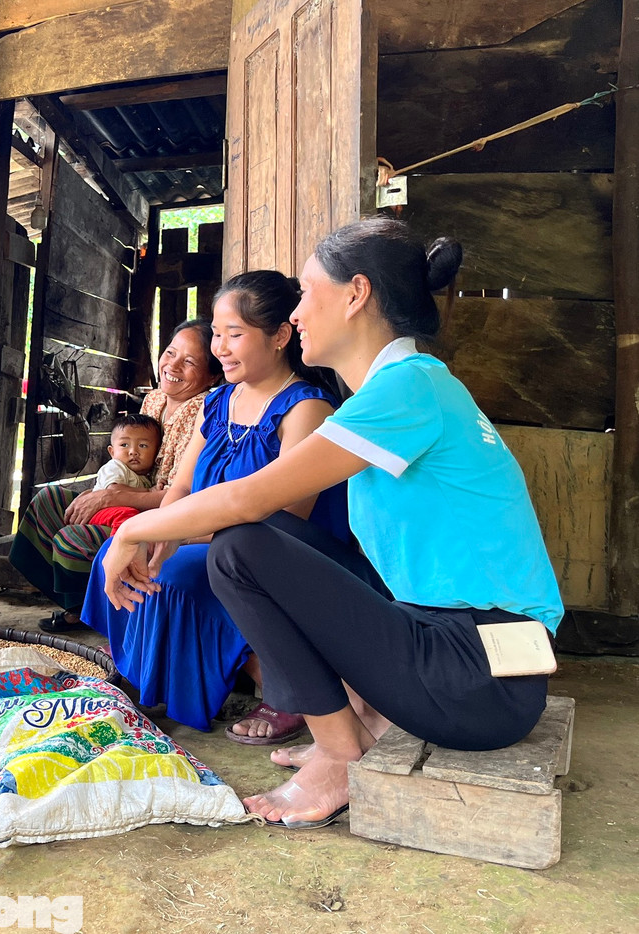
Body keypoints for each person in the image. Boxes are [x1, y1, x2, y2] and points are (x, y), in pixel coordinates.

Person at [102, 217, 562, 829]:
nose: (294, 314)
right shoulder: (406, 388)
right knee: (275, 540)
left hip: (482, 682)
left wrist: (133, 530)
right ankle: (355, 726)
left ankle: (341, 754)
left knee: (240, 547)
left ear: (356, 294)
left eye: (305, 293)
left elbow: (246, 501)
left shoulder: (406, 390)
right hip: (470, 654)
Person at [84, 270, 361, 738]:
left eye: (234, 334)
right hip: (214, 537)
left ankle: (289, 686)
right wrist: (156, 531)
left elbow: (282, 527)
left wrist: (167, 534)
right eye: (216, 333)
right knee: (124, 557)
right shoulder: (218, 402)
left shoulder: (306, 408)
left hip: (280, 556)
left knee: (174, 575)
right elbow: (181, 488)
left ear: (279, 336)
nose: (220, 347)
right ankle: (143, 668)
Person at [9, 320, 223, 633]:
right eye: (170, 352)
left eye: (189, 362)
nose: (172, 365)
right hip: (130, 496)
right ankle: (79, 606)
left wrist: (113, 495)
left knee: (73, 541)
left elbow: (182, 493)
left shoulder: (203, 409)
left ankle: (111, 614)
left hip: (163, 514)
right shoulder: (154, 399)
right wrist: (105, 490)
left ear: (213, 375)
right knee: (48, 502)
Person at [86, 413, 164, 533]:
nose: (133, 452)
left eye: (143, 445)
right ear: (112, 452)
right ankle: (118, 547)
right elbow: (114, 490)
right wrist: (149, 491)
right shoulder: (116, 466)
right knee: (127, 516)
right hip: (100, 512)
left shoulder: (145, 477)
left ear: (157, 452)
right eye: (124, 445)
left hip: (115, 517)